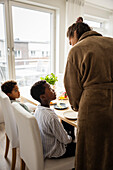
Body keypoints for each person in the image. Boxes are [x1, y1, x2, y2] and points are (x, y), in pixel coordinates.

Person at [64, 22, 113, 170]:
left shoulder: (77, 50)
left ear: (75, 34)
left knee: (90, 149)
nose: (70, 44)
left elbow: (72, 86)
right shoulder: (111, 42)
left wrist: (77, 105)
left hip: (93, 106)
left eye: (69, 40)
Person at [30, 80, 76, 159]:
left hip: (46, 147)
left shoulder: (38, 109)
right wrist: (71, 138)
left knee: (66, 123)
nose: (53, 90)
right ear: (43, 97)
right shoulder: (51, 117)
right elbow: (65, 140)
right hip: (56, 151)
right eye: (50, 89)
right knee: (82, 146)